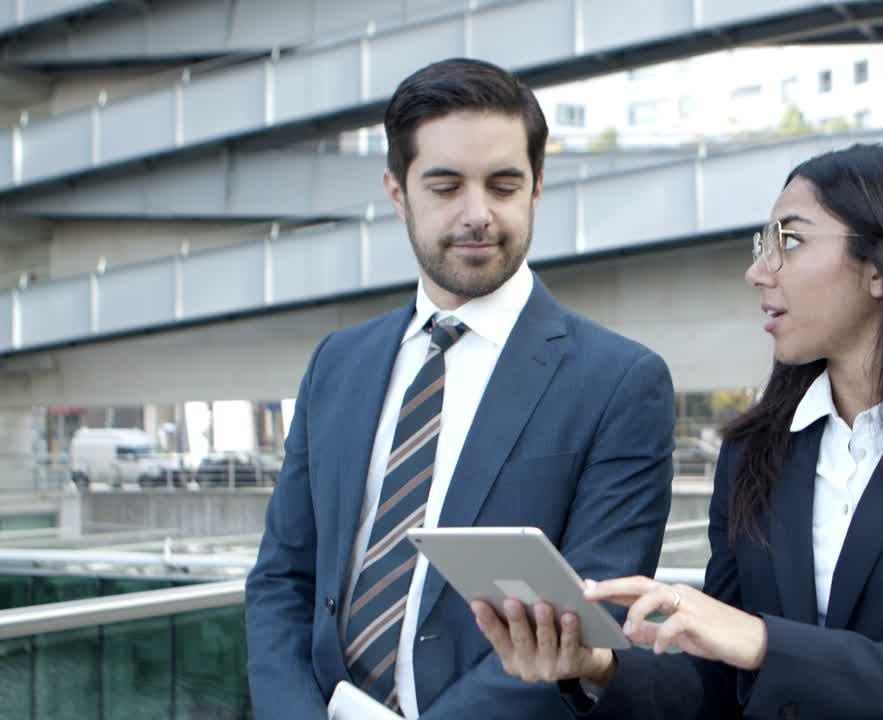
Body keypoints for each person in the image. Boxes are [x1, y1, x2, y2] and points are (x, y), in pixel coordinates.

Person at [472, 143, 883, 719]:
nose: (758, 273)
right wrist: (599, 665)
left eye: (788, 242)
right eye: (763, 244)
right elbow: (720, 688)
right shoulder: (754, 451)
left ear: (882, 268)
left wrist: (764, 642)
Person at [244, 58, 676, 719]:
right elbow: (282, 581)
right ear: (397, 191)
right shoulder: (338, 362)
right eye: (446, 187)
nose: (478, 214)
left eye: (503, 186)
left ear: (536, 189)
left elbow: (590, 618)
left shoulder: (621, 383)